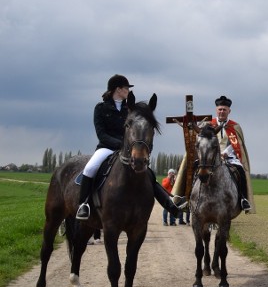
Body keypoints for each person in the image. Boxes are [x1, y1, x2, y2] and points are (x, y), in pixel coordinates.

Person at [76, 74, 186, 222]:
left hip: (129, 150)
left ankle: (171, 206)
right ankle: (83, 205)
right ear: (118, 89)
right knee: (90, 168)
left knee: (149, 174)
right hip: (107, 148)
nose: (128, 90)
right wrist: (120, 145)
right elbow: (101, 134)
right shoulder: (101, 108)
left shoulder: (130, 110)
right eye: (126, 88)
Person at [211, 95, 253, 213]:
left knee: (241, 171)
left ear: (229, 111)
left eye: (224, 109)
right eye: (220, 109)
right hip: (211, 157)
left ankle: (243, 199)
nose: (222, 112)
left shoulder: (235, 126)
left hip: (230, 158)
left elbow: (238, 144)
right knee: (197, 168)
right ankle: (188, 197)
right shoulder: (210, 124)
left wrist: (225, 153)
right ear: (216, 110)